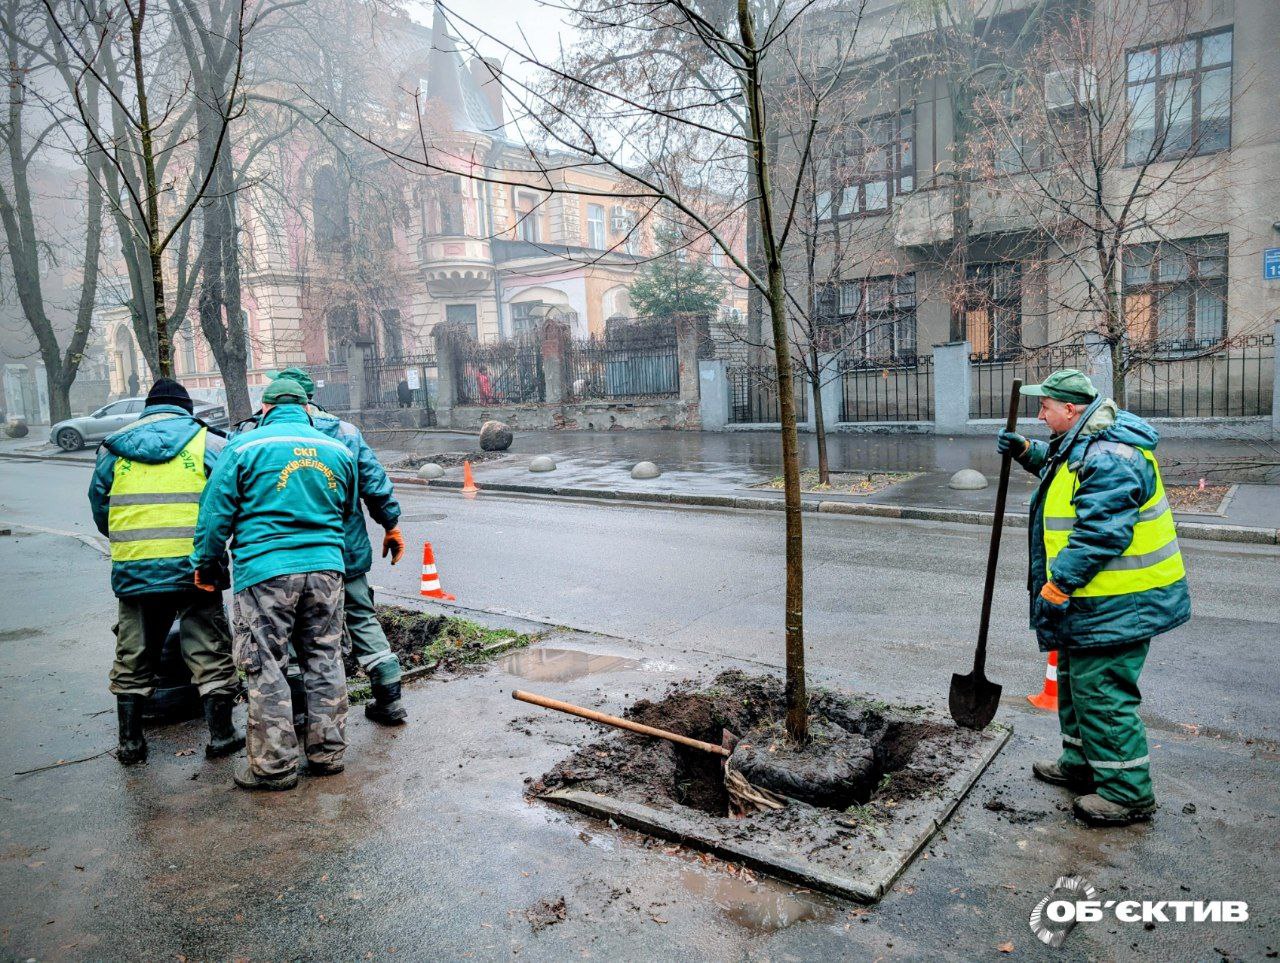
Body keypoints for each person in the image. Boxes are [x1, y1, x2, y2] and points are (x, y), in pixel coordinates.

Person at [998, 369, 1190, 826]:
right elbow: (1063, 467)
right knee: (1075, 684)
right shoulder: (1085, 440)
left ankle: (1127, 792)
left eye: (1045, 407)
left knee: (1102, 692)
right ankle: (1082, 764)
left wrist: (1059, 583)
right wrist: (1027, 452)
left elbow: (1100, 533)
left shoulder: (1110, 457)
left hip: (1120, 604)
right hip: (1094, 602)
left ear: (1070, 409)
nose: (1039, 415)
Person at [191, 377, 358, 791]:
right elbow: (347, 509)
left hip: (265, 572)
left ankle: (275, 767)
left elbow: (214, 514)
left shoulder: (243, 447)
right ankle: (328, 754)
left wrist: (207, 564)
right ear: (305, 409)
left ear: (265, 408)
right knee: (325, 657)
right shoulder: (338, 450)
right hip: (326, 570)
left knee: (265, 663)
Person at [237, 367, 410, 725]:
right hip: (345, 549)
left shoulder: (254, 434)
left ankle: (300, 713)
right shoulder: (345, 432)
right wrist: (391, 525)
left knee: (293, 631)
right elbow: (375, 484)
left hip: (287, 556)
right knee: (361, 616)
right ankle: (389, 699)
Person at [87, 378, 243, 765]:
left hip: (136, 567)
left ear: (148, 408)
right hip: (196, 568)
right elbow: (228, 500)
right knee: (209, 650)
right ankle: (222, 736)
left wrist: (130, 542)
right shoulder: (209, 442)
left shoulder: (112, 447)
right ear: (186, 409)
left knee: (134, 654)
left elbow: (99, 505)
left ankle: (130, 744)